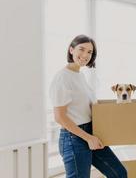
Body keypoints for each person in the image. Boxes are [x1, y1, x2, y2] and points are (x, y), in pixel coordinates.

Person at [49, 35, 127, 178]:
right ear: (71, 50)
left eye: (90, 52)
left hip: (91, 132)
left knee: (119, 173)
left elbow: (87, 107)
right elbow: (59, 117)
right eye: (82, 49)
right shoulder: (62, 77)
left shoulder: (80, 75)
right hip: (74, 137)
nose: (85, 55)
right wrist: (88, 138)